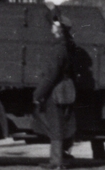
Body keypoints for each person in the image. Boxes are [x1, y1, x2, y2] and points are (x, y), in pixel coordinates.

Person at [34, 14, 78, 169]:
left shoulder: (58, 49)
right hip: (65, 89)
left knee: (56, 126)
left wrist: (39, 94)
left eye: (54, 25)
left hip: (57, 90)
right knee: (59, 124)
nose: (51, 27)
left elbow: (52, 74)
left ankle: (56, 163)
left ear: (59, 30)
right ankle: (58, 161)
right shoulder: (66, 46)